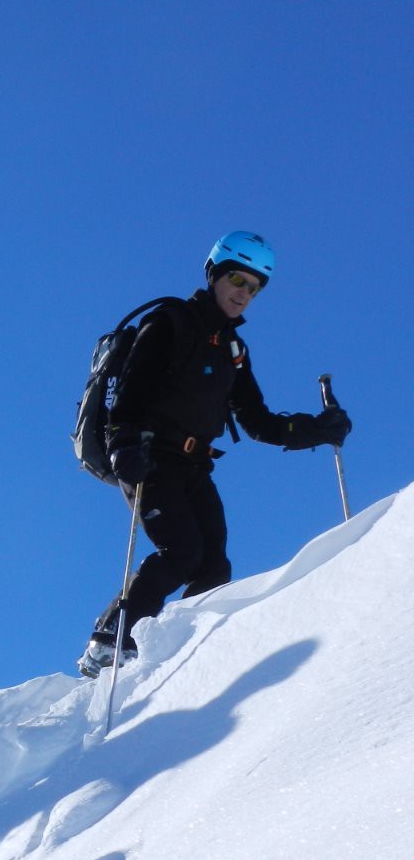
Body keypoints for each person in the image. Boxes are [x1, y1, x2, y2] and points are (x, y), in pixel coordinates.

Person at [78, 231, 353, 677]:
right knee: (180, 551)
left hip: (194, 465)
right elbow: (131, 389)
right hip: (148, 457)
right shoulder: (169, 321)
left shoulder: (233, 351)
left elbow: (258, 421)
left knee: (214, 565)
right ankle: (110, 640)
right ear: (215, 275)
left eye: (254, 287)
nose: (244, 293)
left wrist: (316, 430)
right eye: (238, 280)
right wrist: (123, 443)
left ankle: (178, 652)